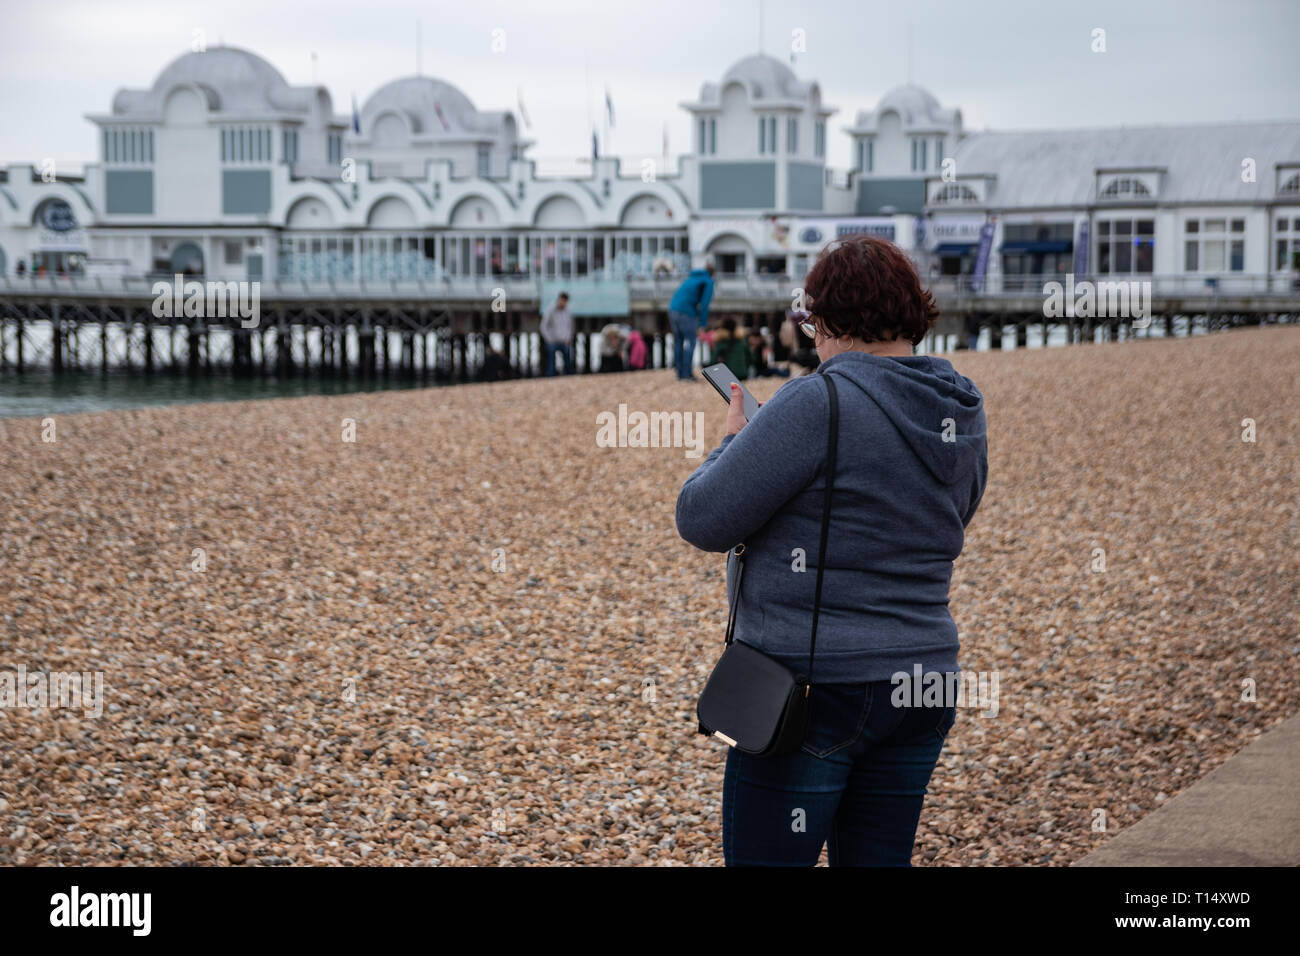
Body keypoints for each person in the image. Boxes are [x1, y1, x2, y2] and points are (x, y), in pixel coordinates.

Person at [675, 235, 989, 867]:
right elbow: (950, 517)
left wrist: (735, 442)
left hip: (818, 688)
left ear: (832, 318)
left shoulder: (817, 399)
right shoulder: (962, 406)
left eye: (813, 320)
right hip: (923, 683)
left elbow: (702, 517)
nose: (812, 336)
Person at [668, 263, 716, 380]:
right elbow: (704, 305)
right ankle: (687, 374)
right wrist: (702, 324)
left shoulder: (692, 277)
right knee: (690, 342)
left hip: (672, 309)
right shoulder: (708, 281)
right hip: (686, 312)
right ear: (713, 274)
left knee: (678, 341)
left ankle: (679, 373)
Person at [540, 292, 574, 376]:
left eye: (565, 301)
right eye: (562, 301)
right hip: (552, 341)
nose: (563, 303)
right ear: (559, 300)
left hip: (564, 341)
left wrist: (568, 338)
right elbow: (543, 326)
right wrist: (548, 339)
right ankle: (550, 377)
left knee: (567, 360)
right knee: (551, 361)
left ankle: (568, 376)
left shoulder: (568, 311)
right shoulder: (550, 310)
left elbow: (570, 326)